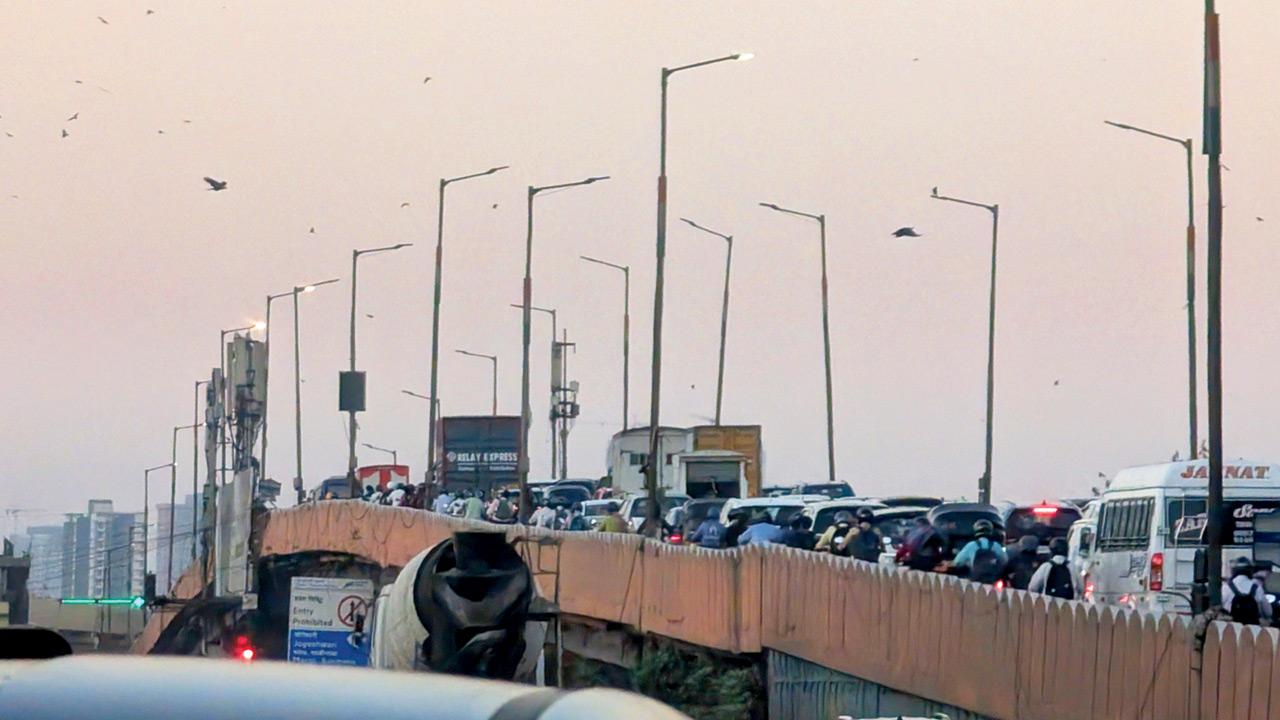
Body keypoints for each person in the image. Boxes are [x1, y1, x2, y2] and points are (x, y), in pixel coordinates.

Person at [952, 519, 1007, 584]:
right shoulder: (996, 546)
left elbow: (957, 562)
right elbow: (1005, 560)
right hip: (993, 579)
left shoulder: (971, 545)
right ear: (990, 531)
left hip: (976, 579)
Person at [1223, 557, 1271, 625]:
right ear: (1250, 571)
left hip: (1232, 628)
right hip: (1252, 629)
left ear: (1234, 571)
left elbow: (1219, 608)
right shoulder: (1257, 588)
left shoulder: (1226, 587)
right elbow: (1268, 612)